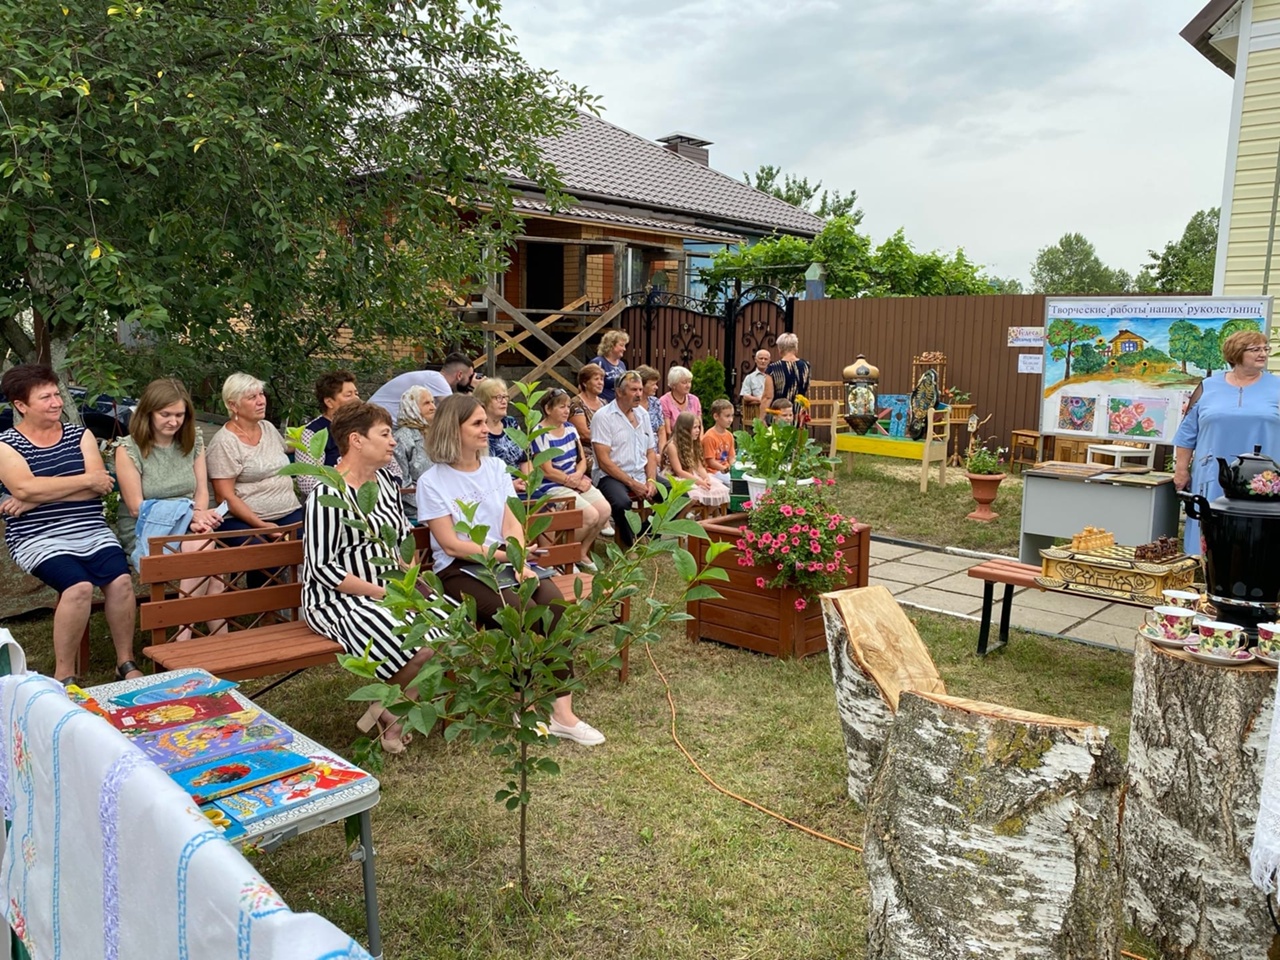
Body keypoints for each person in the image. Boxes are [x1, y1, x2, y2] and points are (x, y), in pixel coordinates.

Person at [418, 395, 604, 746]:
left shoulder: (496, 469)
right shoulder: (433, 481)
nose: (486, 429)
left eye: (484, 421)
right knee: (517, 613)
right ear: (452, 430)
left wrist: (518, 559)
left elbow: (512, 520)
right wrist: (508, 558)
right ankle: (526, 702)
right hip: (460, 569)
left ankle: (563, 714)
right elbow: (452, 544)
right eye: (476, 423)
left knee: (554, 608)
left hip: (507, 559)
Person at [301, 402, 447, 753]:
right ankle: (392, 712)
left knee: (449, 629)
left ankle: (385, 707)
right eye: (384, 434)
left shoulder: (383, 482)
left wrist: (409, 578)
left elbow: (401, 538)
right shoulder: (327, 494)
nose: (393, 441)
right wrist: (384, 592)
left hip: (390, 587)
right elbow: (323, 568)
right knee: (421, 642)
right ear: (356, 440)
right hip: (339, 598)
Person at [0, 364, 142, 685]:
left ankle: (125, 660)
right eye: (45, 397)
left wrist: (35, 496)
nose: (56, 402)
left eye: (56, 394)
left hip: (90, 528)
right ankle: (64, 674)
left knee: (120, 582)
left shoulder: (80, 434)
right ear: (21, 406)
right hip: (37, 535)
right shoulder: (6, 444)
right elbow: (23, 488)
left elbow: (100, 483)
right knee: (78, 588)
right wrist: (80, 481)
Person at [114, 378, 227, 640]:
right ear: (148, 413)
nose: (173, 421)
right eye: (165, 414)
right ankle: (196, 633)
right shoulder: (128, 448)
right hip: (147, 526)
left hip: (190, 521)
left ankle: (196, 636)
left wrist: (198, 518)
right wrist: (191, 516)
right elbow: (135, 507)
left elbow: (201, 491)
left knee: (204, 549)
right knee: (206, 553)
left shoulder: (192, 441)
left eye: (179, 415)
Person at [1173, 329, 1280, 554]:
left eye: (1265, 349)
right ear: (1237, 353)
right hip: (1212, 473)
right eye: (1256, 349)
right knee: (1209, 530)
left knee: (1257, 541)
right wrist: (1181, 469)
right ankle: (1203, 575)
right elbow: (1187, 432)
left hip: (1263, 479)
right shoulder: (1208, 387)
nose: (1263, 354)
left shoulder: (1276, 387)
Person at [206, 373, 304, 540]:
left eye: (261, 394)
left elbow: (287, 447)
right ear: (233, 405)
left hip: (289, 512)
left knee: (321, 539)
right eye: (252, 397)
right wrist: (262, 525)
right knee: (266, 559)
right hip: (243, 520)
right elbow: (224, 496)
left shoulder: (267, 428)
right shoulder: (225, 443)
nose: (261, 401)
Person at [528, 388, 610, 567]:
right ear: (548, 409)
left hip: (575, 479)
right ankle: (564, 555)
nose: (567, 411)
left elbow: (581, 459)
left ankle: (580, 552)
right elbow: (547, 471)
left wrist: (579, 475)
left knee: (604, 510)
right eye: (561, 407)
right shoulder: (540, 433)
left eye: (568, 407)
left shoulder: (571, 429)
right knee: (589, 516)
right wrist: (570, 480)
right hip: (551, 485)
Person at [593, 371, 667, 549]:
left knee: (677, 496)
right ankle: (628, 544)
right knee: (622, 503)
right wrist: (633, 484)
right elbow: (603, 461)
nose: (639, 394)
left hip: (640, 472)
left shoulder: (643, 414)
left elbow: (650, 451)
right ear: (619, 392)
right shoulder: (603, 416)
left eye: (641, 389)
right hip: (610, 475)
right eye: (634, 389)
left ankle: (645, 529)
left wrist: (650, 480)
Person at [294, 370, 360, 497]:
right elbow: (306, 482)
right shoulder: (313, 433)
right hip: (332, 502)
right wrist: (347, 489)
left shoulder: (365, 426)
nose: (356, 399)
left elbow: (392, 467)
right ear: (329, 402)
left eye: (356, 394)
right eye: (348, 395)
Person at [367, 354, 474, 422]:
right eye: (469, 377)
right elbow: (456, 411)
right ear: (459, 375)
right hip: (376, 419)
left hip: (382, 419)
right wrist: (475, 390)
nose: (470, 380)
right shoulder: (437, 379)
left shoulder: (432, 378)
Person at [665, 412, 729, 510]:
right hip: (677, 477)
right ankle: (685, 517)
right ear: (685, 429)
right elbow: (679, 471)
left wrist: (706, 478)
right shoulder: (672, 446)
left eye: (699, 427)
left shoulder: (694, 443)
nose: (698, 430)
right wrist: (699, 482)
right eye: (694, 427)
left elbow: (699, 466)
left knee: (718, 490)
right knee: (693, 495)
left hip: (692, 475)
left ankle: (703, 517)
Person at [392, 385, 436, 522]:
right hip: (415, 512)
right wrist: (429, 508)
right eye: (427, 403)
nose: (433, 407)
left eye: (433, 402)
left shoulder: (435, 434)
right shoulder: (402, 438)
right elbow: (402, 482)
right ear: (412, 407)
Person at [475, 378, 529, 484]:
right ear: (483, 401)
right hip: (494, 488)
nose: (504, 401)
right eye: (498, 398)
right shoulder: (478, 430)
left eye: (505, 397)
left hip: (522, 485)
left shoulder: (511, 423)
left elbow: (525, 458)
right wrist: (510, 485)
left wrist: (527, 480)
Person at [761, 333, 811, 426]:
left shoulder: (773, 368)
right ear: (796, 348)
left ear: (780, 349)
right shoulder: (806, 366)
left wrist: (761, 418)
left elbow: (768, 396)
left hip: (779, 414)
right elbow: (806, 390)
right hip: (798, 415)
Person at [569, 363, 607, 470]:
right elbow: (584, 434)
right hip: (587, 452)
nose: (600, 383)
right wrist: (609, 438)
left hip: (607, 449)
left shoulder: (604, 403)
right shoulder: (576, 403)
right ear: (585, 383)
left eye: (602, 379)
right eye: (596, 379)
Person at [659, 365, 701, 436]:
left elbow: (700, 426)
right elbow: (668, 431)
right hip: (675, 442)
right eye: (684, 383)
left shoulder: (695, 400)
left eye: (689, 382)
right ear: (673, 385)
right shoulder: (664, 401)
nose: (688, 385)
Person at [589, 330, 629, 403]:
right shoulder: (598, 362)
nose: (624, 349)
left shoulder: (622, 364)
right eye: (621, 345)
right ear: (611, 345)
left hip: (619, 404)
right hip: (603, 404)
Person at [636, 364, 668, 453]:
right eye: (653, 384)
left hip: (656, 451)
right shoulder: (631, 404)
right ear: (642, 384)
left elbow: (661, 431)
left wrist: (661, 454)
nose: (656, 387)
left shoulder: (655, 402)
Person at [702, 398, 736, 476]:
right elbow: (710, 462)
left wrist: (733, 469)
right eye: (727, 416)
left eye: (732, 416)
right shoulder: (709, 437)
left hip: (726, 470)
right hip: (712, 472)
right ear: (716, 416)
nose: (730, 420)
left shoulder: (729, 435)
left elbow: (731, 457)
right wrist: (724, 469)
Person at [739, 349, 771, 424]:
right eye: (761, 358)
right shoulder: (750, 378)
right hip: (756, 412)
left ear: (769, 361)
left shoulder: (773, 376)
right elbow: (745, 396)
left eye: (765, 359)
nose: (763, 361)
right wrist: (759, 399)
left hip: (772, 411)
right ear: (755, 360)